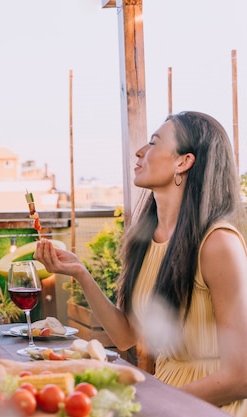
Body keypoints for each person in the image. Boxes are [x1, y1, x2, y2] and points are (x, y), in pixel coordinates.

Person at [35, 111, 247, 416]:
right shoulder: (145, 241)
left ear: (183, 162)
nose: (140, 151)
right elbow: (125, 336)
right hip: (165, 394)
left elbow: (241, 378)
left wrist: (148, 402)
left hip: (210, 406)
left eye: (154, 143)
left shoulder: (218, 244)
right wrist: (80, 273)